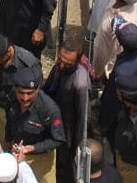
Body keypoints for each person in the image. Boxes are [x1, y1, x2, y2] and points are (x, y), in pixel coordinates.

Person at [4, 66, 65, 183]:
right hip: (18, 156)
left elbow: (58, 139)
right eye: (21, 93)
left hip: (41, 160)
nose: (25, 98)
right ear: (15, 90)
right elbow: (9, 121)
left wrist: (32, 148)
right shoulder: (11, 99)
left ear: (37, 90)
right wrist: (8, 141)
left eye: (29, 93)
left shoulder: (49, 110)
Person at [43, 33, 91, 183]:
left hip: (67, 132)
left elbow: (83, 119)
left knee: (63, 168)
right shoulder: (60, 67)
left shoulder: (80, 83)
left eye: (68, 64)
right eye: (60, 60)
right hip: (53, 120)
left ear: (78, 61)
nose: (62, 65)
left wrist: (78, 146)